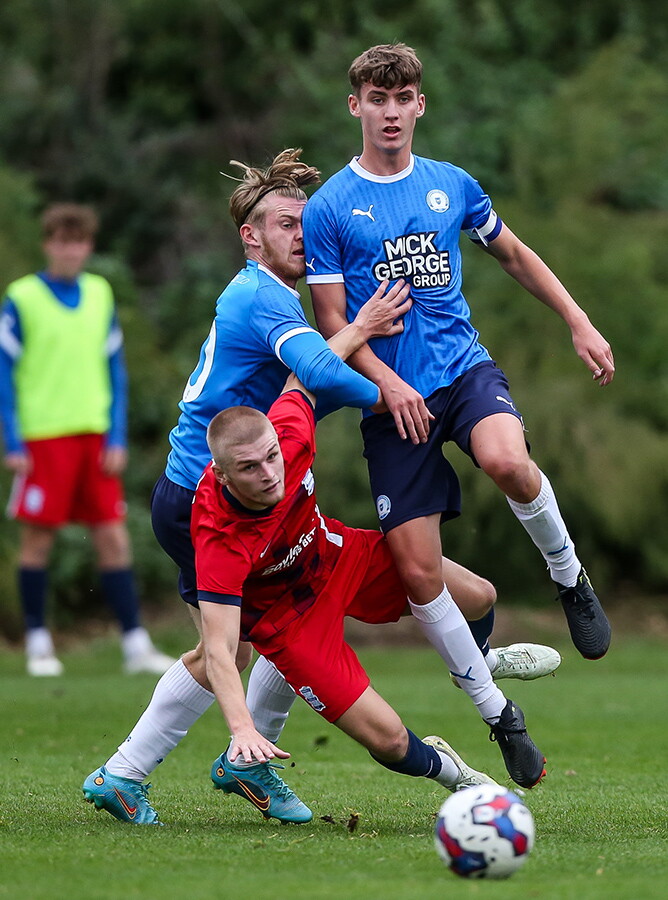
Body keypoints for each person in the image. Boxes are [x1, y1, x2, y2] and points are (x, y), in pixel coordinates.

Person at [82, 150, 551, 827]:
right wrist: (397, 388)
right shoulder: (260, 296)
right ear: (251, 237)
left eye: (305, 224)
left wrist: (394, 375)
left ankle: (471, 662)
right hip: (211, 500)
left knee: (264, 628)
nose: (301, 236)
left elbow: (307, 392)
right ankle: (153, 769)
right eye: (285, 225)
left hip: (262, 488)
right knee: (242, 641)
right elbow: (317, 373)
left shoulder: (279, 297)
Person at [303, 43, 612, 665]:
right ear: (355, 106)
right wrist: (388, 384)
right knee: (420, 574)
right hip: (390, 399)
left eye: (402, 99)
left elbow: (514, 255)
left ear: (420, 105)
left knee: (508, 462)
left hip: (462, 369)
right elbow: (332, 321)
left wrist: (577, 320)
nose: (391, 112)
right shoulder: (329, 206)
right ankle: (491, 698)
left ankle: (568, 574)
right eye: (377, 100)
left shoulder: (451, 184)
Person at [192, 374, 545, 816]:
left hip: (339, 556)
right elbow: (219, 650)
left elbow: (311, 367)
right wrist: (242, 730)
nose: (269, 474)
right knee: (390, 740)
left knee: (478, 597)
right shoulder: (219, 537)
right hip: (291, 623)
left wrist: (366, 341)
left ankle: (479, 663)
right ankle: (457, 776)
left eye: (271, 457)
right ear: (222, 475)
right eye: (249, 468)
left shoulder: (289, 432)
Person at [0, 203, 175, 676]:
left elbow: (115, 370)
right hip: (42, 438)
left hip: (95, 438)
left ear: (88, 247)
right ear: (48, 244)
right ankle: (38, 643)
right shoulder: (22, 297)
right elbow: (4, 372)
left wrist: (116, 435)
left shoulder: (100, 293)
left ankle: (135, 644)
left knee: (113, 538)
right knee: (38, 540)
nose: (71, 251)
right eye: (62, 241)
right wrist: (13, 441)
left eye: (79, 242)